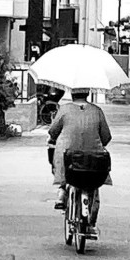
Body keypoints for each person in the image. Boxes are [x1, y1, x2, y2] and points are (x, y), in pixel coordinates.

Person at [48, 89, 112, 226]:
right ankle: (91, 220)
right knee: (93, 186)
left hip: (69, 158)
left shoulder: (64, 110)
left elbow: (53, 131)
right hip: (93, 161)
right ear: (87, 94)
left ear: (72, 94)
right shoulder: (97, 111)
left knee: (60, 158)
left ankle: (62, 190)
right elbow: (106, 137)